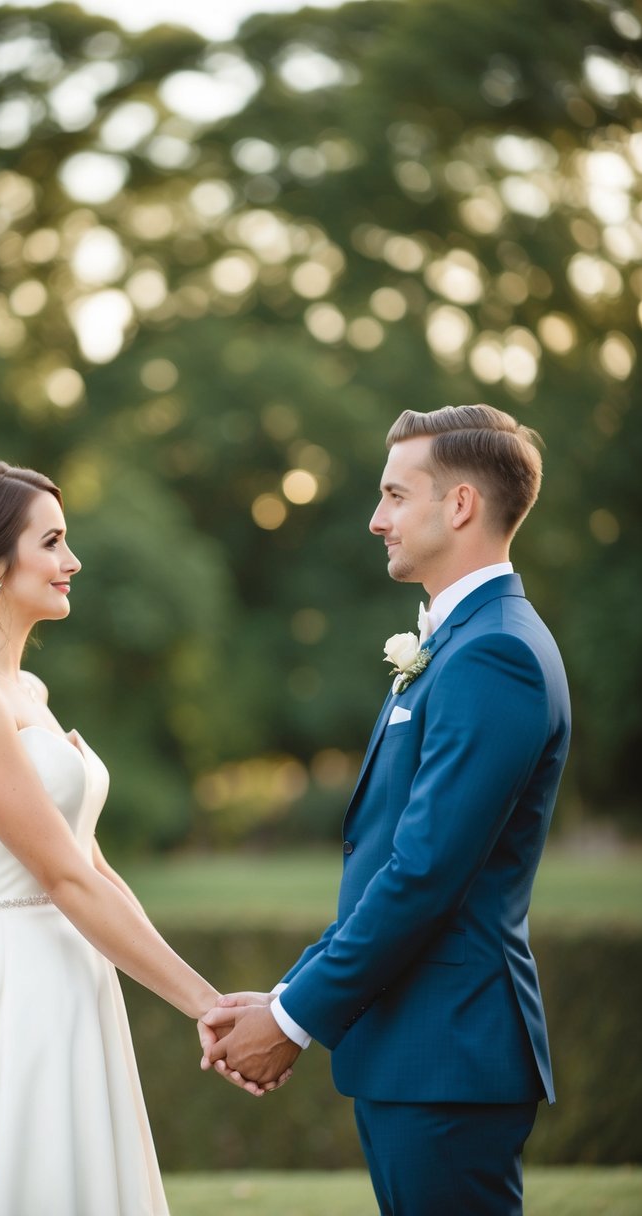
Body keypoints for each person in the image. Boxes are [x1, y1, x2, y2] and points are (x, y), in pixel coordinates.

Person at [0, 459, 274, 1216]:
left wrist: (212, 998)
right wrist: (204, 1005)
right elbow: (64, 881)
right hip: (14, 984)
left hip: (74, 974)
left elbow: (93, 868)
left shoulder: (24, 692)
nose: (73, 562)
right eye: (53, 542)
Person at [201, 404, 572, 1215]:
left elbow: (424, 874)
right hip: (419, 1047)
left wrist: (293, 1019)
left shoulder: (494, 654)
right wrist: (283, 992)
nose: (376, 520)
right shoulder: (457, 644)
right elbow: (388, 863)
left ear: (461, 505)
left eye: (395, 496)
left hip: (448, 1052)